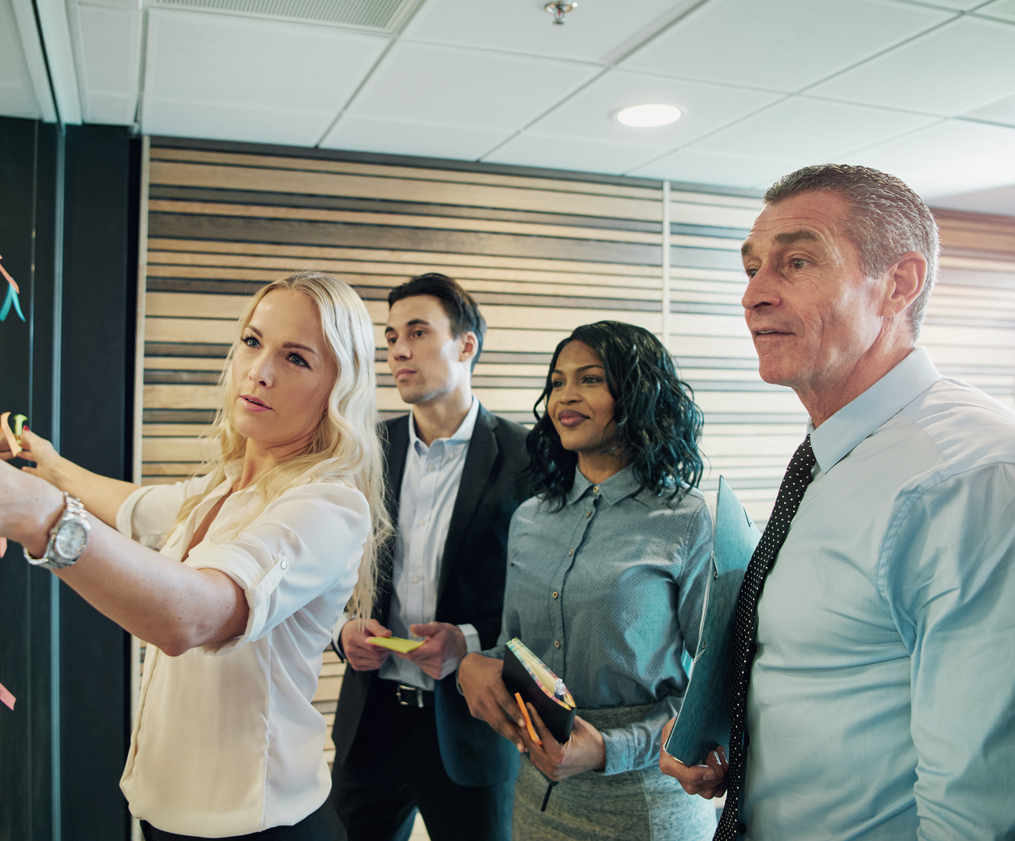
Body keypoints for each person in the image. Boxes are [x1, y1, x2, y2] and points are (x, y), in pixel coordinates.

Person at [0, 271, 391, 841]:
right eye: (253, 342)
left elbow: (190, 616)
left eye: (296, 359)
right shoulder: (221, 486)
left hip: (265, 828)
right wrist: (46, 463)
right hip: (163, 817)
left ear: (337, 388)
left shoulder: (327, 505)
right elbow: (132, 505)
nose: (259, 371)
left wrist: (37, 512)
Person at [658, 165, 1015, 840]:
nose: (753, 295)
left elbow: (978, 807)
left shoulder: (968, 479)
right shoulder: (832, 453)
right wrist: (741, 738)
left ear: (898, 284)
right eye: (752, 267)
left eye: (796, 261)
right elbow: (834, 666)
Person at [456, 321, 717, 840]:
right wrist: (474, 663)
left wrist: (609, 749)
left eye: (590, 380)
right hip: (536, 800)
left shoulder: (686, 520)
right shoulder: (529, 518)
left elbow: (711, 691)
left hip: (645, 805)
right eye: (556, 382)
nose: (565, 397)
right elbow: (515, 650)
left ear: (638, 395)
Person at [329, 273, 529, 841]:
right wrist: (341, 631)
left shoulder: (529, 457)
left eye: (418, 332)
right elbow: (324, 572)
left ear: (467, 345)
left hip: (470, 727)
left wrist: (467, 639)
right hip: (369, 724)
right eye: (391, 336)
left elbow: (545, 601)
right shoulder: (363, 452)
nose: (398, 350)